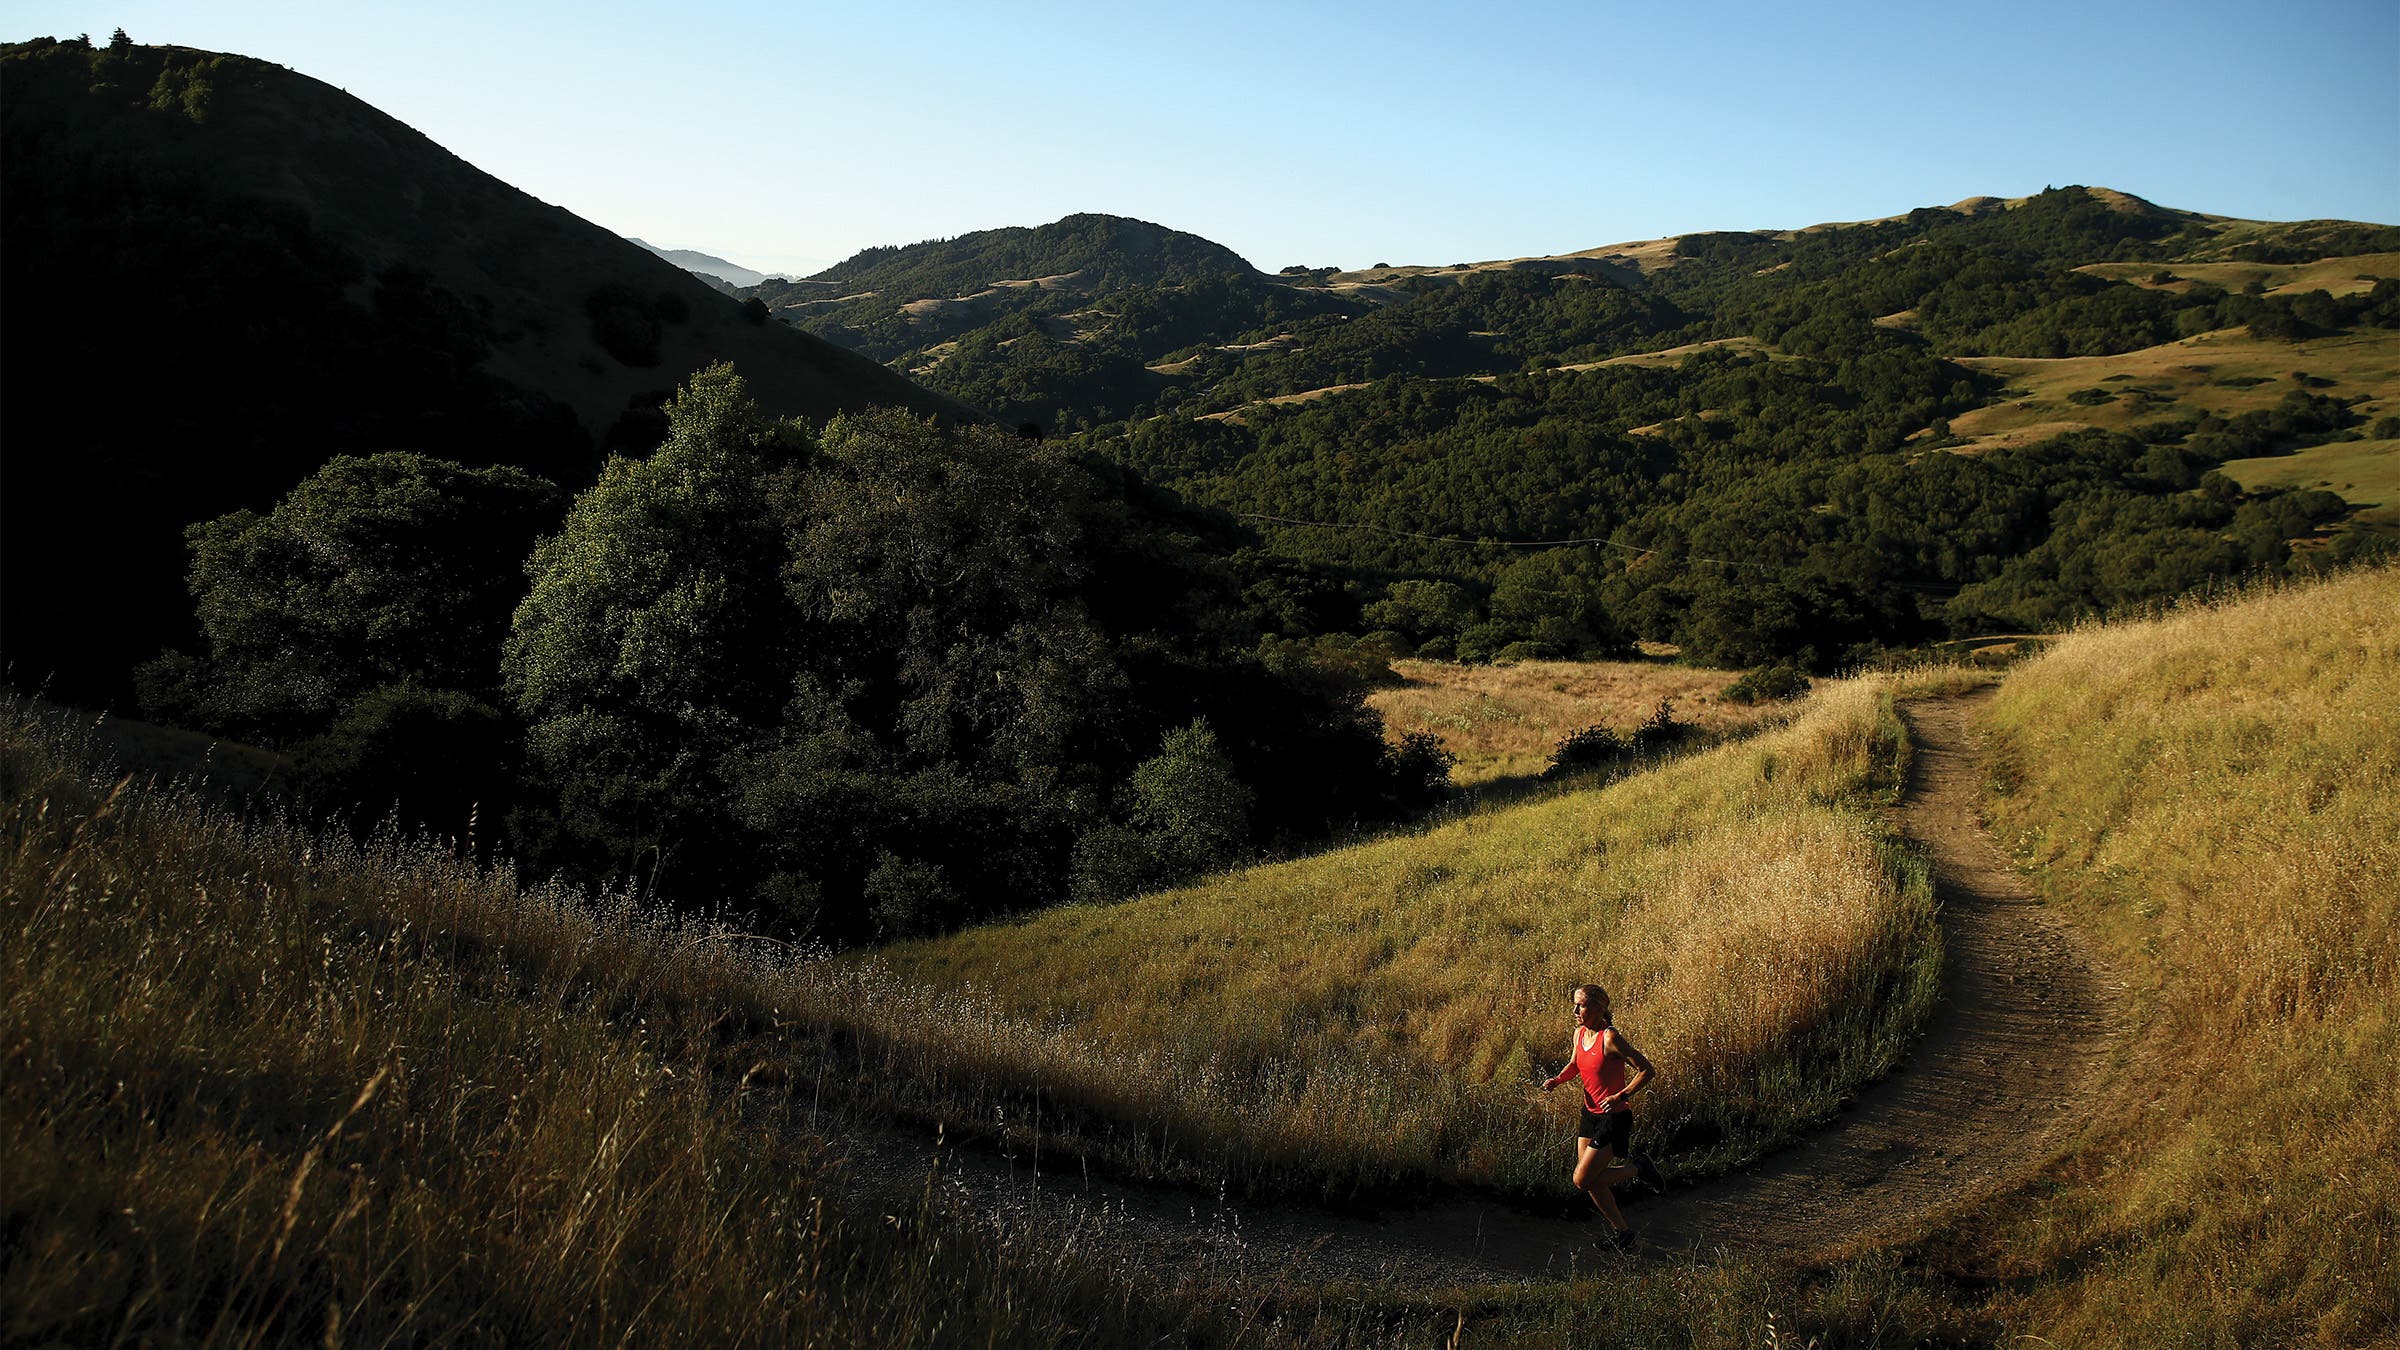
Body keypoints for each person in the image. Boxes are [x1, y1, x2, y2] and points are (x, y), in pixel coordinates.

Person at [1541, 983, 1664, 1249]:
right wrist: (1558, 1080)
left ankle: (1639, 1167)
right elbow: (1575, 1064)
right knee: (1591, 1182)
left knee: (1581, 1179)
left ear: (1599, 1008)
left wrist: (1621, 1095)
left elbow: (1646, 1070)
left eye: (1581, 1005)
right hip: (1590, 1115)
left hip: (1614, 1118)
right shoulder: (1579, 1034)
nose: (1575, 1010)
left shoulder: (1610, 1038)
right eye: (1574, 1004)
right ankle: (1623, 1234)